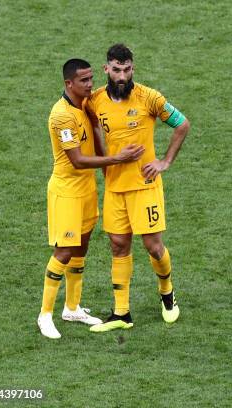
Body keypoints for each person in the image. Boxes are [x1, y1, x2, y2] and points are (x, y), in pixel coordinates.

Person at [86, 44, 190, 332]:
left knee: (153, 247)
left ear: (133, 69)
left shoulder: (149, 98)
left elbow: (182, 124)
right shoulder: (95, 101)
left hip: (145, 186)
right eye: (116, 70)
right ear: (106, 69)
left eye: (127, 69)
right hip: (115, 187)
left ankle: (167, 295)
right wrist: (105, 161)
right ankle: (121, 314)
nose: (122, 76)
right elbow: (94, 127)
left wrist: (164, 162)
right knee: (118, 246)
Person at [39, 59, 145, 339]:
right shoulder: (61, 115)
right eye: (84, 81)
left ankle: (71, 308)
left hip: (86, 190)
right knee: (63, 251)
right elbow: (76, 160)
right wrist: (116, 158)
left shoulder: (85, 105)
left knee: (81, 248)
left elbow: (96, 137)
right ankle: (45, 315)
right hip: (67, 193)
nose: (90, 85)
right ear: (68, 84)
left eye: (90, 79)